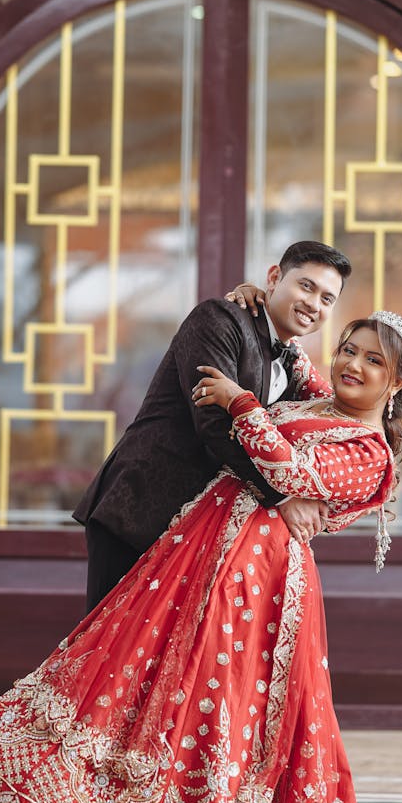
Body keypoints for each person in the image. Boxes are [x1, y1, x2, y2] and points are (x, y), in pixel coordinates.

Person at [0, 310, 402, 803]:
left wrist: (240, 403)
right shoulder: (325, 403)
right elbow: (298, 363)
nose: (353, 365)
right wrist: (257, 300)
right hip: (201, 550)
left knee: (208, 699)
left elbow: (290, 471)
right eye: (350, 348)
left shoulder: (369, 452)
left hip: (256, 582)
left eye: (374, 361)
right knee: (145, 679)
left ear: (395, 384)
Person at [73, 240, 351, 611]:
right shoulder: (219, 318)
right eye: (306, 286)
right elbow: (215, 423)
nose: (314, 304)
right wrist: (283, 497)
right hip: (142, 511)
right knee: (105, 655)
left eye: (327, 299)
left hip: (198, 533)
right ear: (273, 277)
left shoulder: (294, 364)